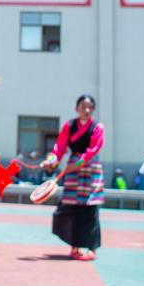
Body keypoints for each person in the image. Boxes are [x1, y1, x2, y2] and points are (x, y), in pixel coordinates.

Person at [42, 94, 106, 260]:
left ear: (93, 109)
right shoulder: (69, 126)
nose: (86, 110)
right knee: (72, 208)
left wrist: (77, 164)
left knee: (91, 208)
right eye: (83, 107)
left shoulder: (97, 127)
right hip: (73, 171)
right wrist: (51, 161)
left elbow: (93, 150)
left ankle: (92, 248)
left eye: (90, 107)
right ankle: (75, 247)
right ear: (77, 108)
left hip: (90, 168)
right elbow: (59, 147)